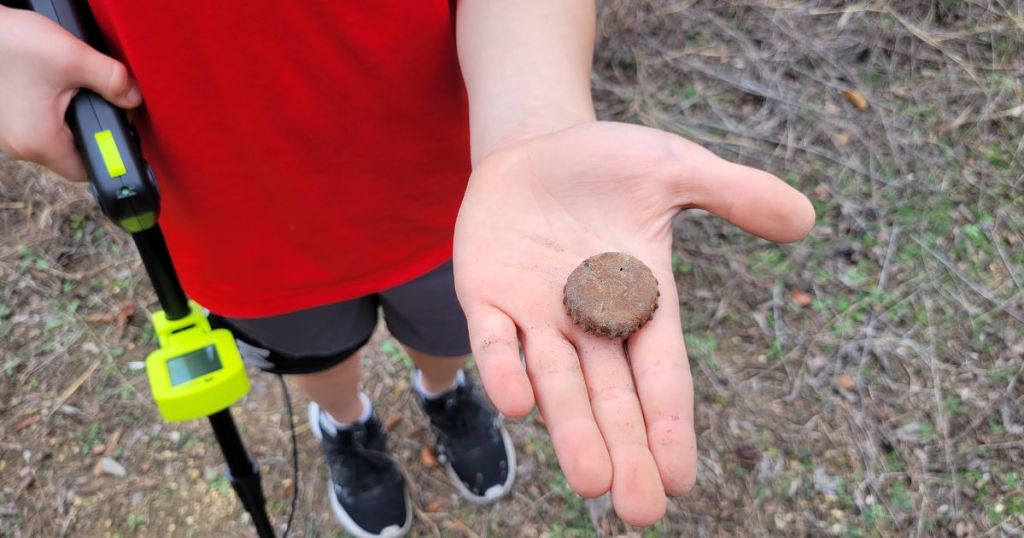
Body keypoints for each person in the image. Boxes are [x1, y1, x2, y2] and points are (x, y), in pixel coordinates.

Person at [0, 2, 815, 536]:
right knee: (316, 349)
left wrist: (534, 125)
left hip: (465, 198)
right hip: (231, 206)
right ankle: (346, 424)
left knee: (452, 328)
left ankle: (443, 392)